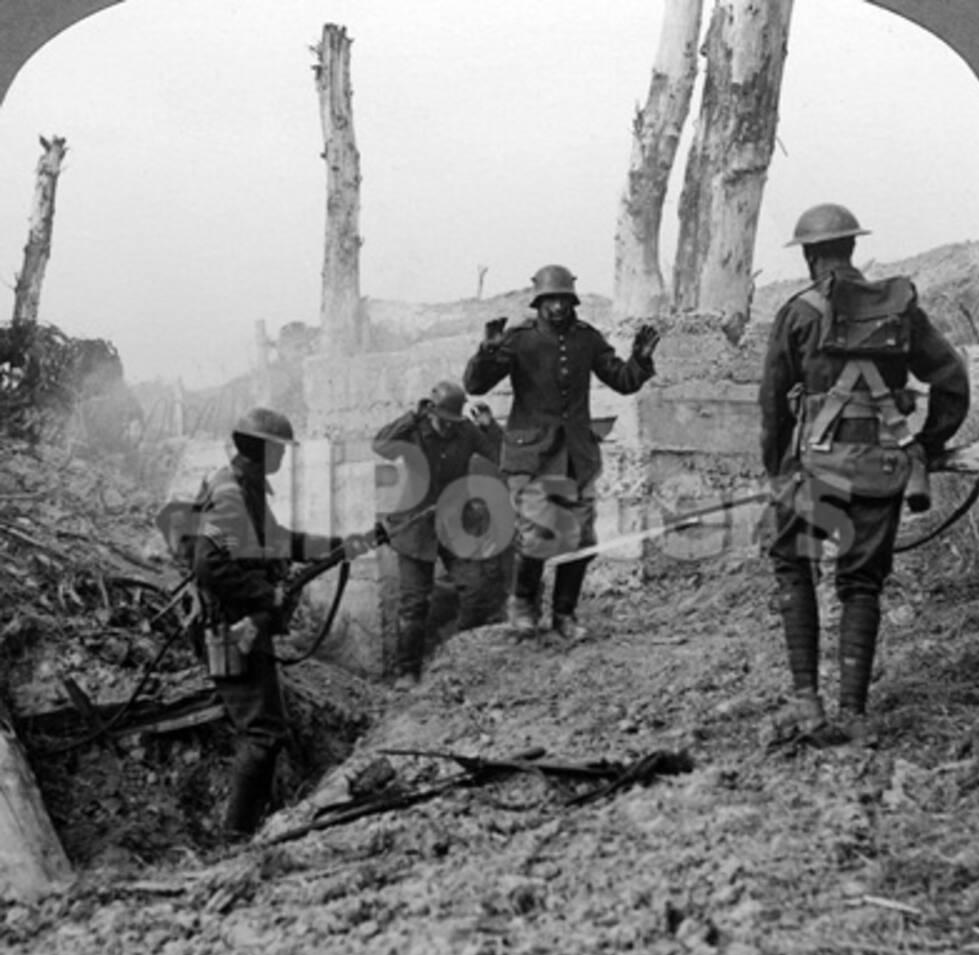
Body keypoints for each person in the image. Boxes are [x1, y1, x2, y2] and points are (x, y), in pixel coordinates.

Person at [759, 203, 969, 746]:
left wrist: (777, 470)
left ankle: (807, 701)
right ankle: (853, 712)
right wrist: (925, 444)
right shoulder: (899, 308)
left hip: (813, 472)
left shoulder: (797, 312)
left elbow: (772, 406)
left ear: (809, 255)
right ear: (852, 249)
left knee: (792, 565)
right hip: (880, 470)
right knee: (861, 583)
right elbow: (952, 380)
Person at [463, 264, 660, 640]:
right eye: (550, 301)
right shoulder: (518, 339)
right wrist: (487, 353)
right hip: (531, 458)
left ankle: (565, 615)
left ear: (573, 302)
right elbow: (476, 384)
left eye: (564, 300)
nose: (557, 308)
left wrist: (640, 359)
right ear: (538, 303)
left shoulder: (587, 339)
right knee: (538, 534)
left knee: (582, 541)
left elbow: (622, 380)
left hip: (576, 457)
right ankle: (523, 604)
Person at [192, 406, 362, 838]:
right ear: (263, 449)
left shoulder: (245, 489)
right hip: (230, 630)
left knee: (265, 731)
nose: (284, 459)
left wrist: (336, 546)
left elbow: (277, 541)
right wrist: (268, 594)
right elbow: (210, 566)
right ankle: (236, 840)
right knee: (263, 733)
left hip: (242, 625)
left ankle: (250, 830)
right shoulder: (231, 495)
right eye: (280, 450)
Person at [372, 379, 504, 686]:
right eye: (442, 421)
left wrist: (490, 427)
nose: (447, 428)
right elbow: (380, 446)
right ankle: (407, 671)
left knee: (476, 590)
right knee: (414, 603)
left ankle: (458, 660)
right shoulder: (414, 431)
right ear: (431, 412)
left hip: (456, 521)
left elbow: (501, 458)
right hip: (415, 525)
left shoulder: (466, 430)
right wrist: (411, 417)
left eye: (452, 421)